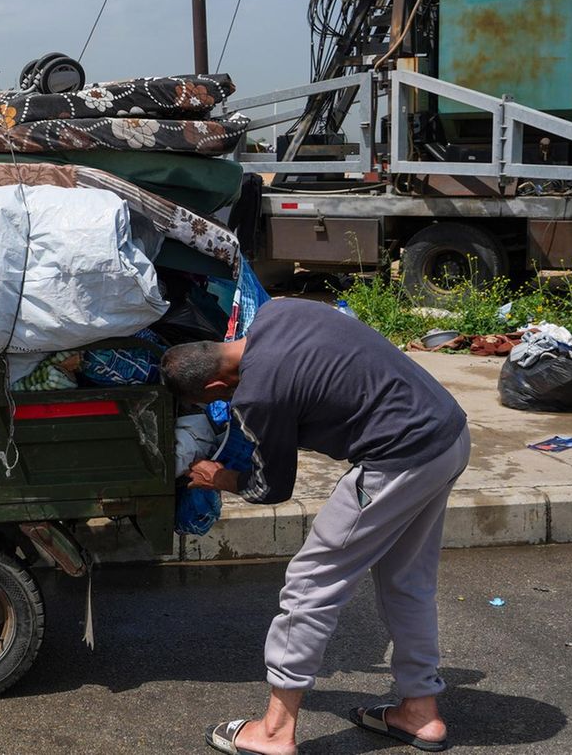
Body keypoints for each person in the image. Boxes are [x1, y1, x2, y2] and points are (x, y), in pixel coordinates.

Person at [159, 298, 469, 755]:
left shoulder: (256, 395)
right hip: (448, 434)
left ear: (216, 381)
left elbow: (273, 487)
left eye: (211, 398)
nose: (220, 403)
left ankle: (275, 731)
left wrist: (219, 477)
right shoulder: (279, 311)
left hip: (397, 458)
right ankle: (421, 712)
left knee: (310, 583)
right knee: (407, 581)